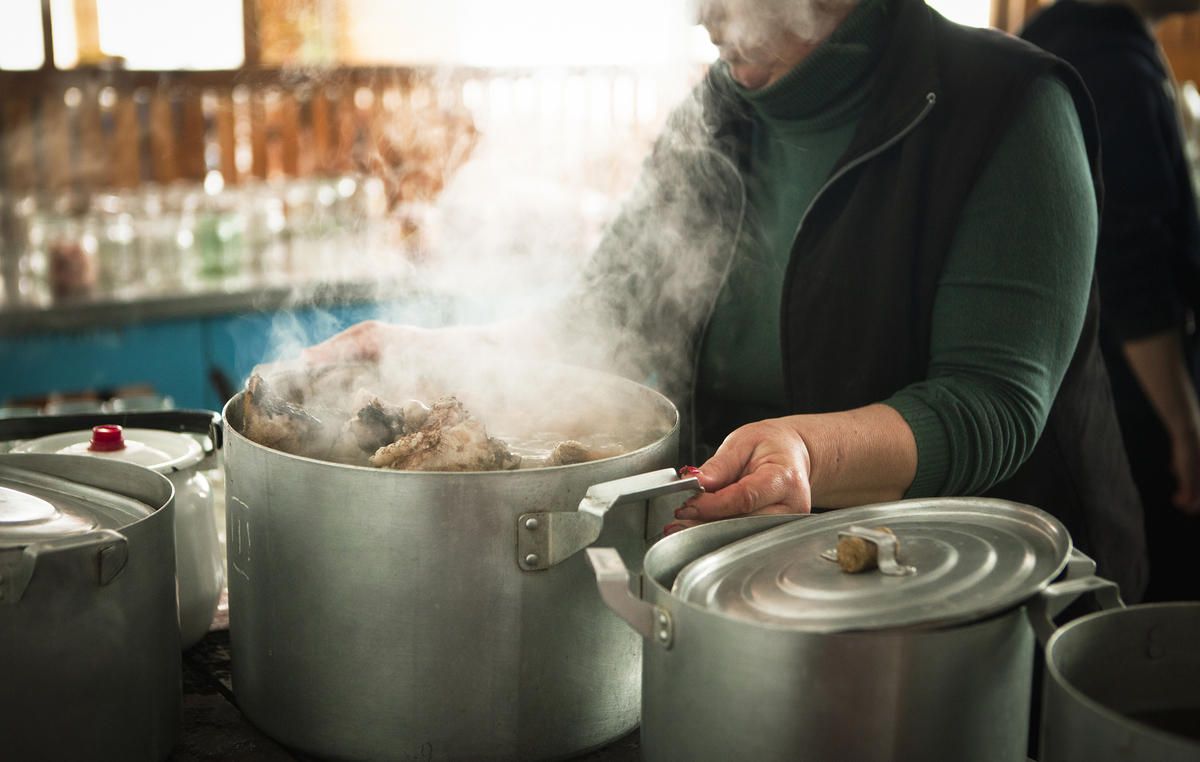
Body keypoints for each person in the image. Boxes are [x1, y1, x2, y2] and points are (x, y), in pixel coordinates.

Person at [306, 0, 1149, 602]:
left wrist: (808, 451)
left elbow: (990, 405)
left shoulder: (1008, 103)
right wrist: (439, 351)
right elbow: (603, 317)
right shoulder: (718, 111)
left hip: (980, 605)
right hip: (750, 581)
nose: (698, 17)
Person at [1021, 0, 1200, 602]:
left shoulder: (1058, 39)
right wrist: (1182, 420)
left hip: (1073, 389)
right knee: (1150, 594)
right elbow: (1131, 269)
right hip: (1126, 400)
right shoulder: (1113, 68)